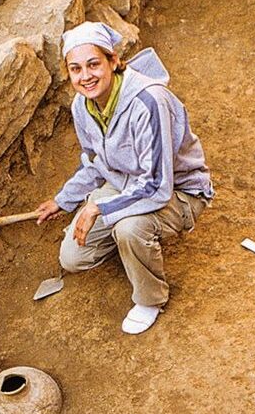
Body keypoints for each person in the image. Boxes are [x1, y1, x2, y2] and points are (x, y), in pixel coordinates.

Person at [35, 21, 213, 334]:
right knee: (73, 258)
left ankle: (150, 298)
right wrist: (63, 201)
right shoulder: (82, 105)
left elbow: (158, 185)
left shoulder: (149, 102)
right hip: (125, 184)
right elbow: (93, 162)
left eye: (93, 64)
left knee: (130, 228)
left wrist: (98, 209)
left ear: (113, 61)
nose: (85, 76)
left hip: (178, 193)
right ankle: (130, 243)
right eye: (76, 69)